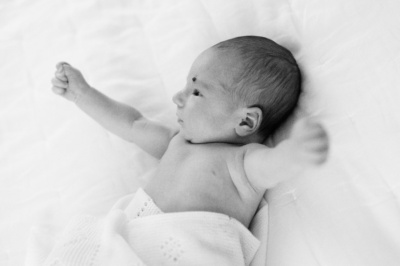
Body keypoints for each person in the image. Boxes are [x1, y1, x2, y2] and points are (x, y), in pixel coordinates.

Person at [51, 35, 328, 229]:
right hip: (136, 236)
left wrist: (295, 152)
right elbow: (132, 125)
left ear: (245, 122)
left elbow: (271, 167)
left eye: (196, 91)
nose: (177, 97)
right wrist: (83, 95)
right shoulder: (176, 142)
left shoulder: (243, 162)